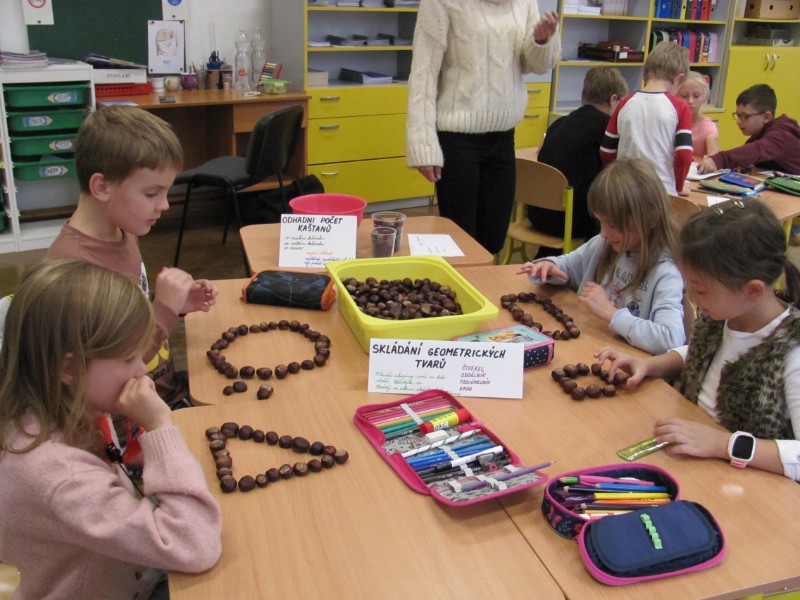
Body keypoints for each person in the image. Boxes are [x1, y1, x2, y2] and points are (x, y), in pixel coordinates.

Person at [0, 259, 222, 599]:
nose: (141, 372)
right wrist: (161, 426)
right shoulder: (60, 476)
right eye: (128, 359)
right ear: (68, 367)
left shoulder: (71, 406)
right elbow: (194, 546)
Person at [595, 200, 800, 482]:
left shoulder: (793, 352)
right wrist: (651, 364)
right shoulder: (727, 312)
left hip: (743, 486)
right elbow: (702, 352)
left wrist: (724, 444)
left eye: (701, 290)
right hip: (691, 460)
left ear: (752, 290)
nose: (690, 296)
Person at [47, 105, 218, 420]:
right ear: (102, 187)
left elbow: (126, 319)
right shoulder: (75, 272)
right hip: (131, 420)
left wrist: (176, 304)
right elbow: (117, 363)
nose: (165, 205)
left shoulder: (121, 229)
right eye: (152, 193)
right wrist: (164, 312)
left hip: (161, 386)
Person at [406, 0, 561, 255]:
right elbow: (423, 74)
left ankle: (481, 292)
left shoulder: (524, 3)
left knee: (493, 238)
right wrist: (423, 143)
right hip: (457, 140)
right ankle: (456, 293)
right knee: (460, 242)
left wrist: (542, 41)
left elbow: (536, 64)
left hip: (503, 139)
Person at [517, 158, 685, 355]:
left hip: (626, 367)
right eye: (600, 221)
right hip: (590, 345)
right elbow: (569, 266)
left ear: (650, 219)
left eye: (612, 224)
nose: (604, 232)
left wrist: (612, 314)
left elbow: (671, 339)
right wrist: (550, 266)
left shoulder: (666, 273)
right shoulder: (604, 243)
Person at [528, 66, 629, 246]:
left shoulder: (559, 123)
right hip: (573, 222)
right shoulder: (608, 129)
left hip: (537, 215)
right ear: (614, 99)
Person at [600, 41, 693, 196]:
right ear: (678, 79)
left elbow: (606, 151)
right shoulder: (680, 108)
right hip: (661, 192)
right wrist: (678, 186)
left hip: (624, 190)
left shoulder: (624, 103)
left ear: (645, 73)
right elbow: (684, 156)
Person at [697, 84, 800, 175]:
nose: (739, 121)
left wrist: (718, 160)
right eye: (737, 115)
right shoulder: (760, 134)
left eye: (745, 116)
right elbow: (747, 155)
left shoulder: (781, 134)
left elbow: (756, 150)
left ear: (766, 117)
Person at [677, 71, 719, 158]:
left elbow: (714, 155)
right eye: (684, 96)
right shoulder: (671, 122)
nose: (690, 101)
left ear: (705, 97)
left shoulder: (708, 127)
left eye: (696, 96)